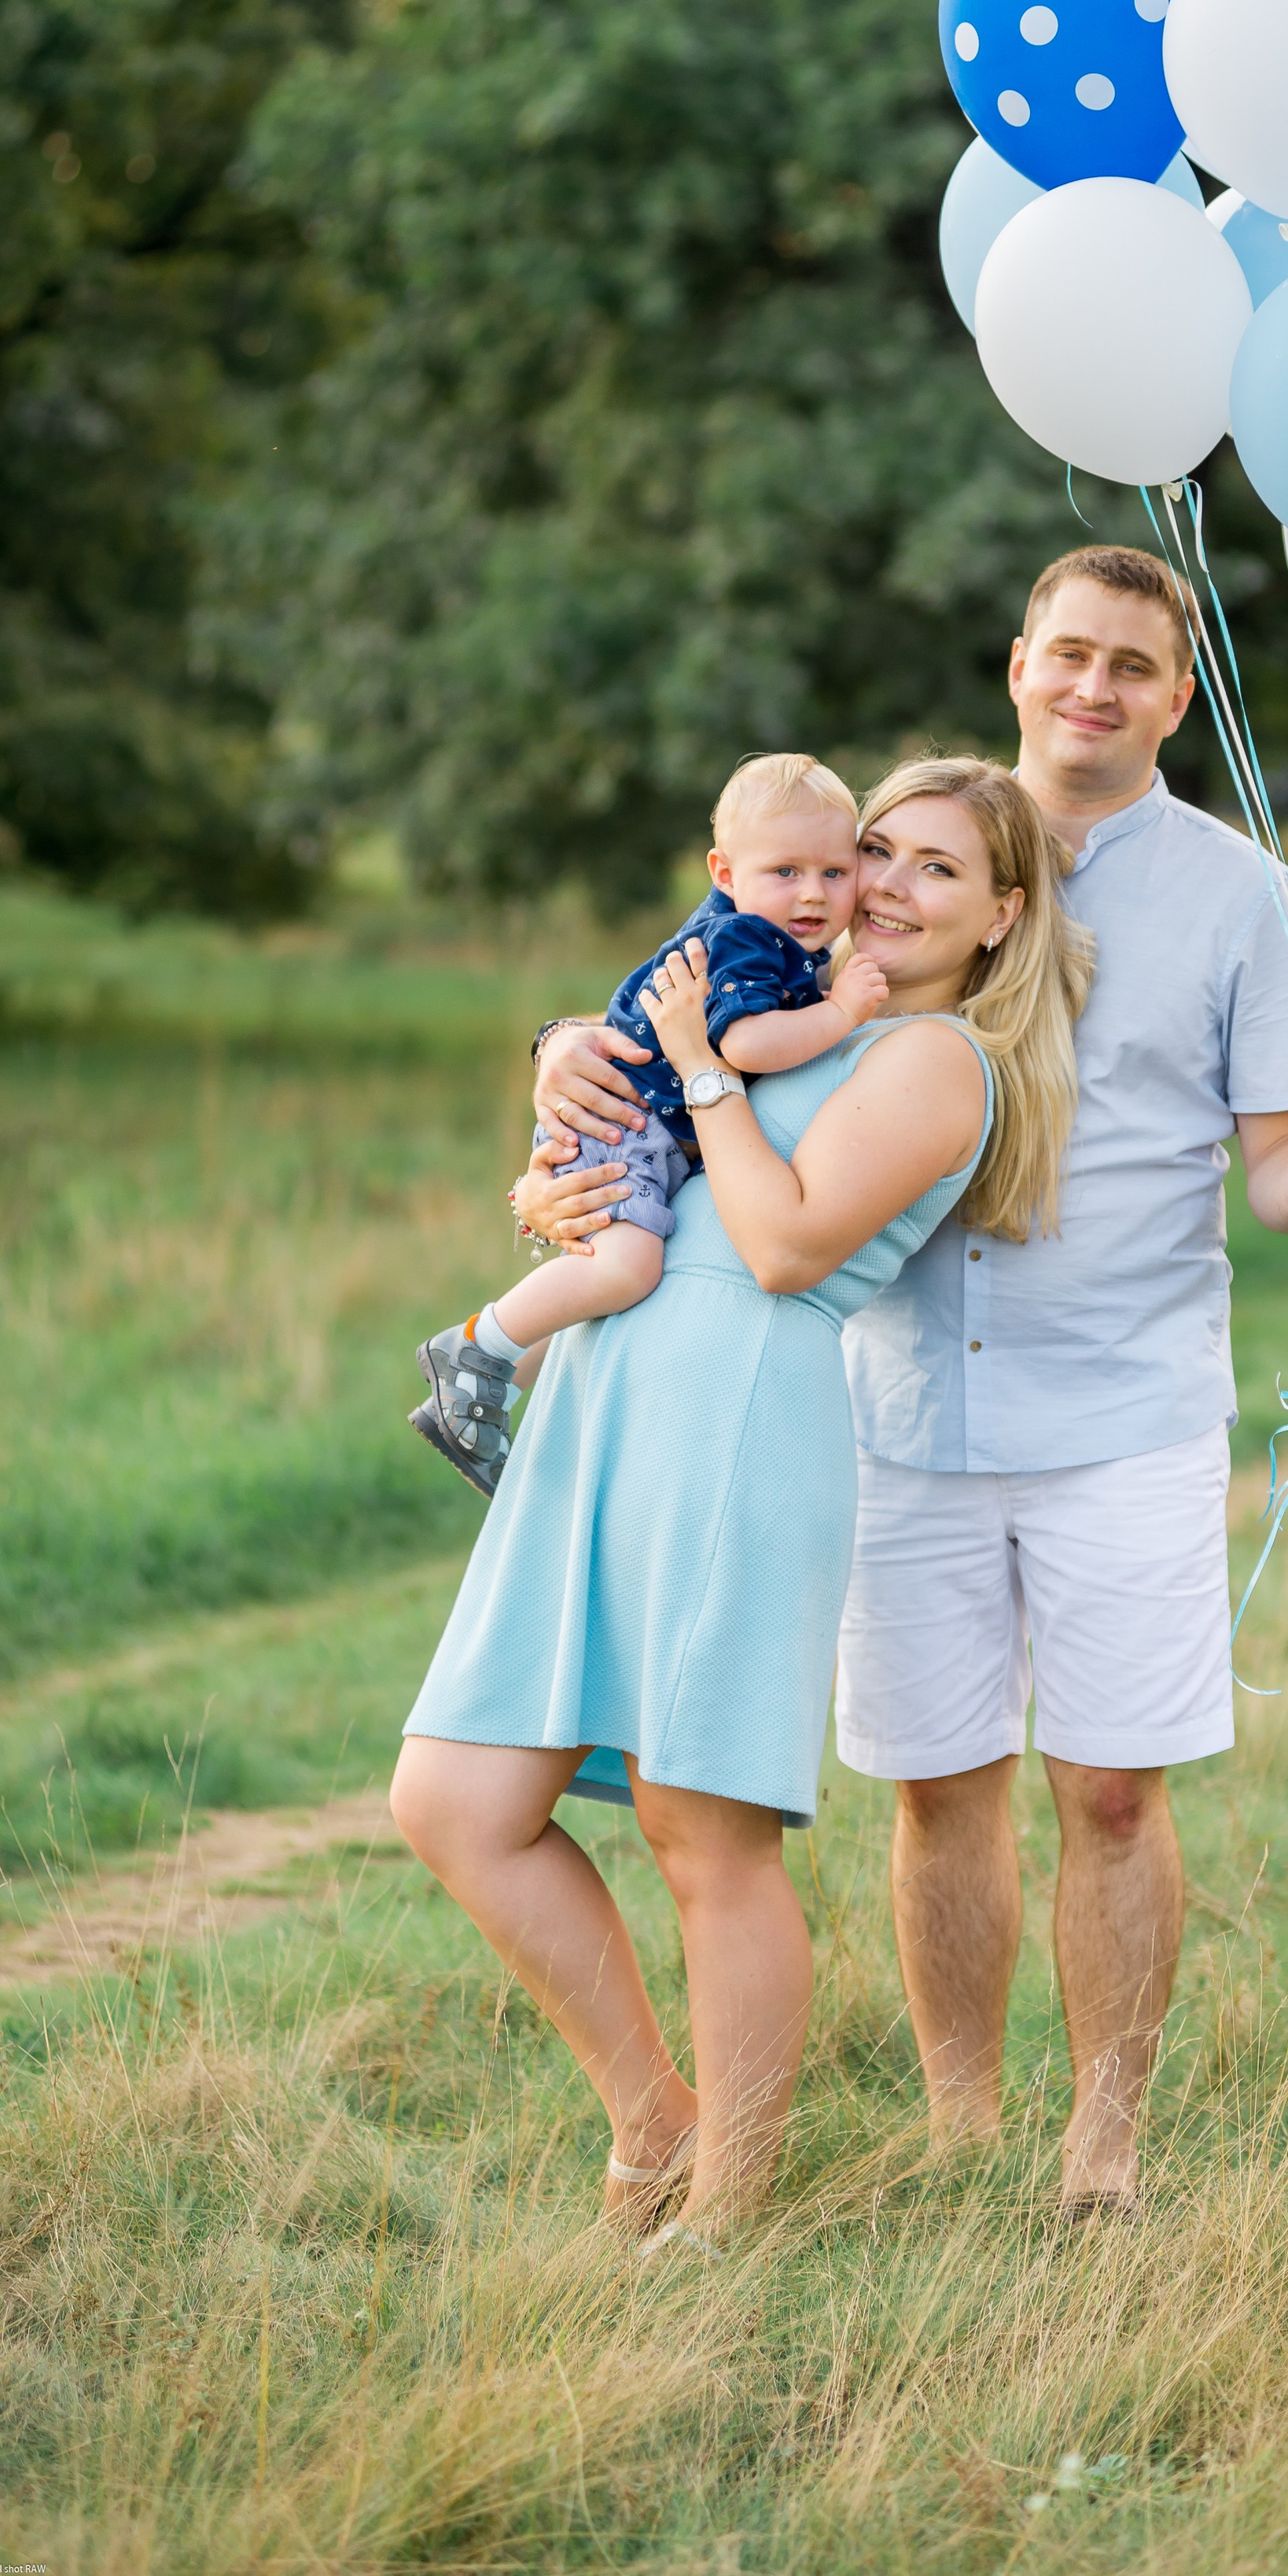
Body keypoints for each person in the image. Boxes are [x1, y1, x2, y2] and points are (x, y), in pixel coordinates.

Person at [535, 545, 1288, 2213]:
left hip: (1124, 1403)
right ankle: (960, 2128)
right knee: (935, 1790)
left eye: (1131, 666)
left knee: (1116, 1794)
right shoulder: (903, 853)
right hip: (899, 1398)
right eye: (1068, 655)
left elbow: (1270, 1163)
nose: (1093, 688)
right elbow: (724, 965)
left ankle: (1104, 2145)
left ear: (1177, 694)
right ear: (1017, 665)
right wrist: (574, 1044)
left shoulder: (1241, 899)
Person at [390, 759, 1091, 2242]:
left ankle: (724, 2213)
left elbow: (776, 1245)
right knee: (453, 1801)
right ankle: (655, 2119)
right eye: (878, 853)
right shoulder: (775, 1001)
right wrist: (560, 1120)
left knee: (698, 1833)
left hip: (738, 1413)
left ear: (1001, 919)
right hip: (604, 1398)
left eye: (936, 872)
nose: (887, 887)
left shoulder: (936, 1060)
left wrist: (700, 1066)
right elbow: (619, 1156)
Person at [409, 753, 889, 1498]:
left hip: (648, 1130)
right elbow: (744, 1045)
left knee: (615, 1281)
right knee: (628, 1269)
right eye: (786, 872)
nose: (814, 893)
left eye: (835, 871)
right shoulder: (742, 943)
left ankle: (488, 1384)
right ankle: (473, 1349)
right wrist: (843, 1009)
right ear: (724, 873)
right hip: (625, 1123)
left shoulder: (784, 943)